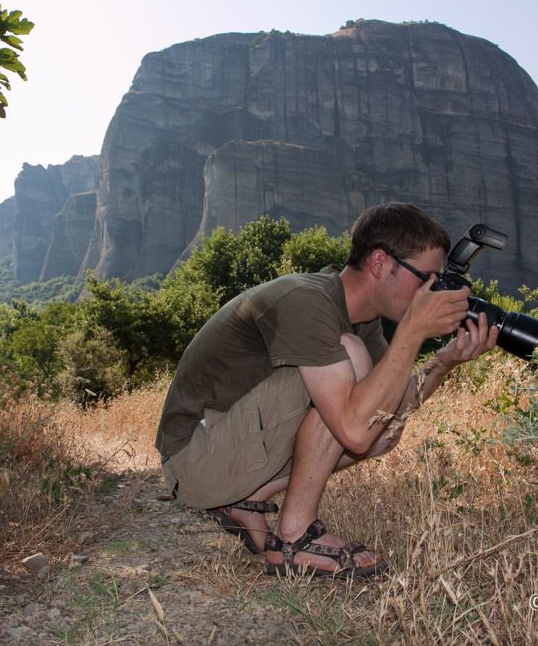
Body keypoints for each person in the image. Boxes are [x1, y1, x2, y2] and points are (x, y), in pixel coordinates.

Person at [155, 202, 498, 577]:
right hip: (194, 461)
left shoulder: (361, 319)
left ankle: (247, 500)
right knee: (352, 370)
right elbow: (353, 429)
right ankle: (294, 537)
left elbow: (390, 411)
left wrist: (444, 362)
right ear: (380, 262)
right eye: (426, 279)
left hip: (225, 462)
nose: (432, 293)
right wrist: (413, 330)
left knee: (383, 426)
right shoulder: (307, 300)